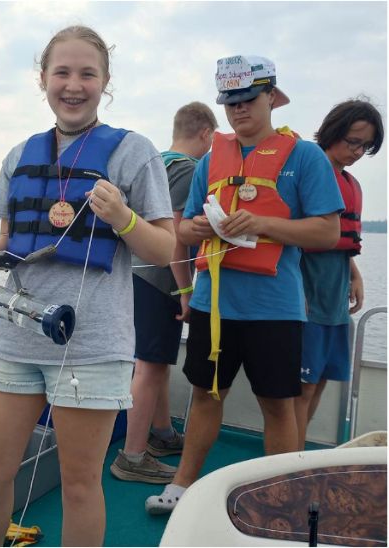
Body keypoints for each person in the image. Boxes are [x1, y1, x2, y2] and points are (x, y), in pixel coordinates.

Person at [0, 25, 175, 546]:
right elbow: (9, 239)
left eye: (88, 73)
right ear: (43, 80)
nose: (73, 85)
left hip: (92, 346)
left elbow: (166, 250)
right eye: (62, 72)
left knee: (81, 485)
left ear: (105, 82)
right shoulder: (19, 156)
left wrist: (124, 218)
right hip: (16, 338)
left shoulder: (133, 152)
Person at [145, 54, 344, 514]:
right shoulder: (212, 159)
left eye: (248, 100)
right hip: (215, 305)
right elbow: (186, 226)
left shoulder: (306, 157)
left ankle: (285, 498)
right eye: (229, 102)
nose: (238, 110)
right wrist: (197, 229)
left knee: (277, 405)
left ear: (271, 97)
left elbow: (327, 232)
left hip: (275, 308)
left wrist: (264, 224)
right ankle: (181, 485)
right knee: (205, 395)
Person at [110, 102, 218, 483]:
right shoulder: (189, 169)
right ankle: (132, 456)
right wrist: (186, 290)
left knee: (153, 359)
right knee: (152, 364)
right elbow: (174, 236)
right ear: (205, 133)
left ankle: (162, 434)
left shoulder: (156, 161)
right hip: (162, 280)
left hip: (134, 275)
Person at [294, 99, 384, 449]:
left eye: (365, 146)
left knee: (318, 383)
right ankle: (292, 461)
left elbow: (338, 237)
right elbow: (294, 237)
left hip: (334, 302)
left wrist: (355, 272)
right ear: (332, 132)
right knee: (300, 388)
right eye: (352, 141)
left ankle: (297, 454)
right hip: (308, 299)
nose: (358, 151)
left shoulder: (350, 182)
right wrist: (296, 292)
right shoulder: (308, 171)